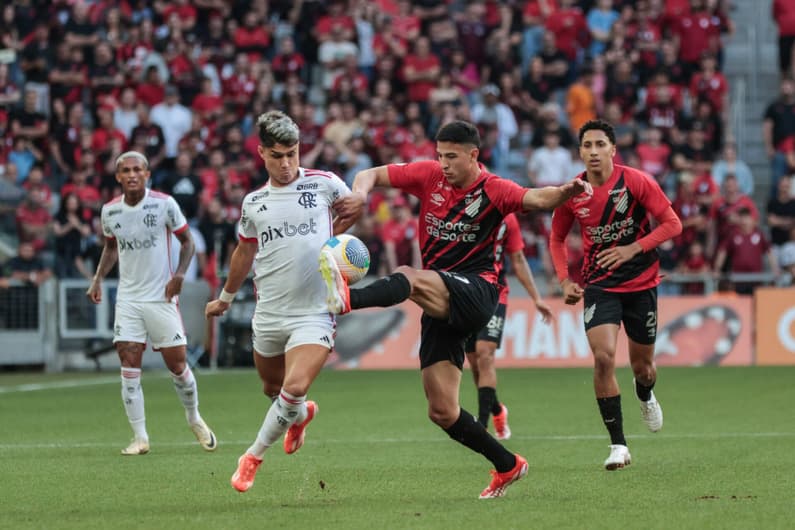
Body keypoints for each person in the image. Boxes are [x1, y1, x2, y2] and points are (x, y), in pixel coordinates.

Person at [322, 120, 591, 499]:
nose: (443, 164)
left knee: (407, 276)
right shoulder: (429, 176)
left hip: (477, 290)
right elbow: (369, 173)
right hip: (442, 302)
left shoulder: (494, 189)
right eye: (440, 155)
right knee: (442, 411)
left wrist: (566, 190)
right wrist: (361, 194)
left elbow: (538, 199)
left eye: (451, 156)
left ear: (473, 155)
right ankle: (507, 464)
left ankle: (346, 299)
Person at [204, 111, 356, 493]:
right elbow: (243, 251)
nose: (287, 163)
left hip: (315, 311)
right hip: (269, 311)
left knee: (294, 387)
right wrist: (225, 297)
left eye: (292, 153)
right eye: (277, 155)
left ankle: (252, 456)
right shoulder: (254, 202)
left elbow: (355, 207)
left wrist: (335, 246)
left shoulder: (324, 185)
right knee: (275, 391)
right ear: (261, 154)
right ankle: (302, 416)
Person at [548, 119, 682, 470]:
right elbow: (557, 239)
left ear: (612, 149)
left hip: (641, 284)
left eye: (599, 145)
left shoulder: (636, 181)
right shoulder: (572, 192)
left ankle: (645, 393)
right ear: (580, 151)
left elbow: (673, 224)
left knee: (644, 368)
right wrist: (564, 281)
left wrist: (632, 249)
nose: (593, 152)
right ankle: (618, 445)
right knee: (604, 358)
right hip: (600, 285)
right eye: (587, 146)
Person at [86, 150, 216, 456]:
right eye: (126, 170)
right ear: (118, 176)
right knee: (129, 365)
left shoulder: (164, 204)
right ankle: (140, 437)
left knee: (178, 364)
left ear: (147, 174)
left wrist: (181, 274)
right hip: (129, 298)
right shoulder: (110, 212)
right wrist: (97, 279)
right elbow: (110, 248)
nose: (132, 174)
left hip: (161, 296)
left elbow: (188, 242)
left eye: (137, 169)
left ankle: (194, 418)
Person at [465, 212, 554, 439]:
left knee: (485, 355)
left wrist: (536, 297)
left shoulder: (507, 218)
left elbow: (518, 259)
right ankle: (496, 409)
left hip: (495, 293)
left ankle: (481, 426)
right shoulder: (459, 210)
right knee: (475, 363)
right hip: (464, 292)